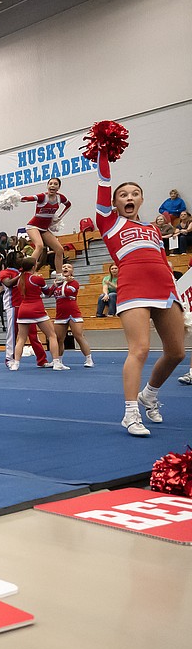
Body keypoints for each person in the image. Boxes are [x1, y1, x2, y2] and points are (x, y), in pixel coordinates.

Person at [93, 138, 185, 436]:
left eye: (134, 193)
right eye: (123, 195)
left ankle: (150, 394)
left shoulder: (153, 229)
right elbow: (104, 182)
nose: (128, 197)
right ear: (115, 202)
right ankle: (131, 413)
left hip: (165, 288)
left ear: (142, 200)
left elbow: (163, 261)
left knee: (177, 352)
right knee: (140, 349)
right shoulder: (109, 223)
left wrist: (179, 296)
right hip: (133, 287)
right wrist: (103, 154)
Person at [8, 256, 65, 371]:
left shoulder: (19, 279)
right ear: (34, 266)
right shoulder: (37, 279)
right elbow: (48, 293)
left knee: (21, 339)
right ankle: (56, 362)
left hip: (23, 310)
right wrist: (55, 284)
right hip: (37, 309)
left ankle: (16, 363)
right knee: (52, 335)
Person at [0, 250, 49, 368]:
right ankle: (9, 358)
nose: (22, 258)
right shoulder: (5, 272)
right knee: (13, 333)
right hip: (12, 305)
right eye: (19, 257)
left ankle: (42, 360)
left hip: (25, 305)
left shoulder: (24, 271)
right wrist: (22, 275)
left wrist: (44, 250)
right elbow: (8, 283)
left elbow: (38, 263)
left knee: (33, 334)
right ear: (12, 259)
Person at [21, 178, 72, 277]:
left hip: (44, 229)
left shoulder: (60, 198)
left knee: (59, 250)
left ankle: (59, 275)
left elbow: (69, 205)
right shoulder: (42, 197)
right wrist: (16, 198)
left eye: (55, 184)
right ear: (47, 186)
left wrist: (59, 217)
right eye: (50, 184)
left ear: (58, 187)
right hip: (33, 226)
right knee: (39, 246)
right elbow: (27, 198)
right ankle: (28, 271)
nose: (52, 185)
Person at [52, 262, 94, 368]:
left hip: (73, 313)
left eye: (68, 267)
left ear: (72, 271)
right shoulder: (58, 283)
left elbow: (67, 293)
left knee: (78, 336)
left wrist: (65, 282)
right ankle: (58, 361)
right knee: (59, 339)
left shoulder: (74, 283)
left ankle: (89, 359)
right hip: (60, 314)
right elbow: (48, 293)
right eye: (63, 267)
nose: (65, 267)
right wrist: (54, 285)